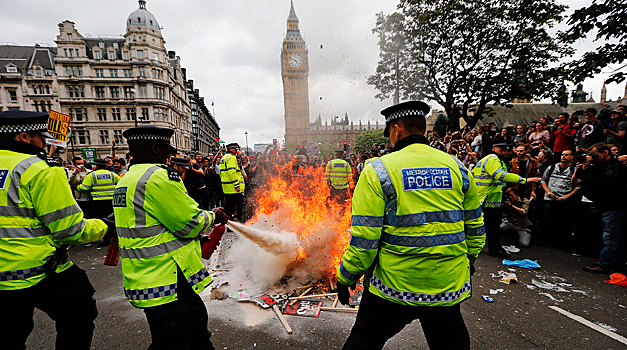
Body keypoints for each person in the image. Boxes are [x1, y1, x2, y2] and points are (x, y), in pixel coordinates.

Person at [336, 101, 485, 350]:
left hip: (394, 286)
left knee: (363, 342)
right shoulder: (457, 168)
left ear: (397, 130)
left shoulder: (378, 170)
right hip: (445, 286)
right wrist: (467, 260)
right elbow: (476, 230)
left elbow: (365, 240)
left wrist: (346, 276)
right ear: (423, 129)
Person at [0, 110, 111, 350]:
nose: (44, 143)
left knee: (9, 334)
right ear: (24, 136)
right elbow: (70, 230)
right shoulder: (39, 169)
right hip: (35, 269)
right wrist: (106, 226)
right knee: (79, 313)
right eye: (41, 137)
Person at [114, 126, 227, 349]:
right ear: (155, 148)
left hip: (149, 276)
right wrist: (213, 215)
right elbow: (190, 223)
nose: (169, 156)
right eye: (167, 150)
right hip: (167, 280)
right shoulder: (158, 177)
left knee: (196, 334)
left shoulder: (127, 179)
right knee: (172, 342)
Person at [472, 136, 542, 258]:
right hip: (486, 200)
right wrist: (525, 180)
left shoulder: (498, 161)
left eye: (508, 149)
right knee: (487, 227)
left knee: (490, 228)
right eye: (503, 149)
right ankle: (488, 249)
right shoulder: (492, 159)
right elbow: (500, 176)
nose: (507, 152)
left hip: (490, 201)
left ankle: (492, 248)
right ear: (495, 148)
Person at [574, 143, 627, 273]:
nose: (593, 157)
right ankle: (619, 261)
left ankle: (604, 263)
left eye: (595, 154)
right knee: (615, 235)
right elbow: (581, 177)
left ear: (605, 153)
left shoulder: (615, 167)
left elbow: (599, 183)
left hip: (614, 206)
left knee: (610, 236)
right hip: (606, 205)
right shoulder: (600, 165)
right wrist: (584, 166)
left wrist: (588, 169)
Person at [540, 150, 580, 247]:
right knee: (547, 219)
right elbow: (543, 180)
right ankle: (545, 240)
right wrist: (548, 192)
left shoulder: (573, 170)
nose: (563, 156)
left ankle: (557, 242)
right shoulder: (552, 167)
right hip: (550, 197)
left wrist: (566, 196)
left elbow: (578, 186)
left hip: (564, 198)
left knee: (562, 221)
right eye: (562, 154)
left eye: (567, 155)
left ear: (572, 157)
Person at [220, 143, 245, 221]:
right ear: (231, 149)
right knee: (240, 206)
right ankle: (241, 223)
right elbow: (232, 172)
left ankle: (229, 224)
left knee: (229, 207)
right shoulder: (232, 157)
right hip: (234, 188)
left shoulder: (224, 157)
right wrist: (237, 185)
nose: (237, 151)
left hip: (227, 188)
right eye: (236, 149)